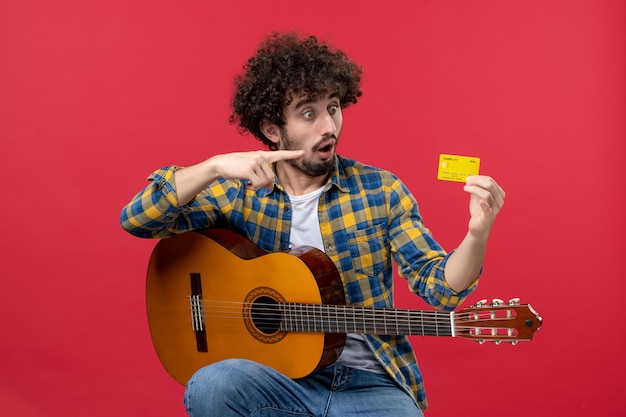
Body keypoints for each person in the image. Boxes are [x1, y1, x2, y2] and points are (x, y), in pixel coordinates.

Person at [120, 32, 505, 417]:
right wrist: (213, 166)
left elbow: (442, 291)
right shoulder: (237, 194)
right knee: (212, 384)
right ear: (273, 130)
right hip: (276, 379)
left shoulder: (381, 190)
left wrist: (477, 234)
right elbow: (137, 220)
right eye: (309, 113)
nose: (329, 126)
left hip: (370, 383)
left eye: (333, 107)